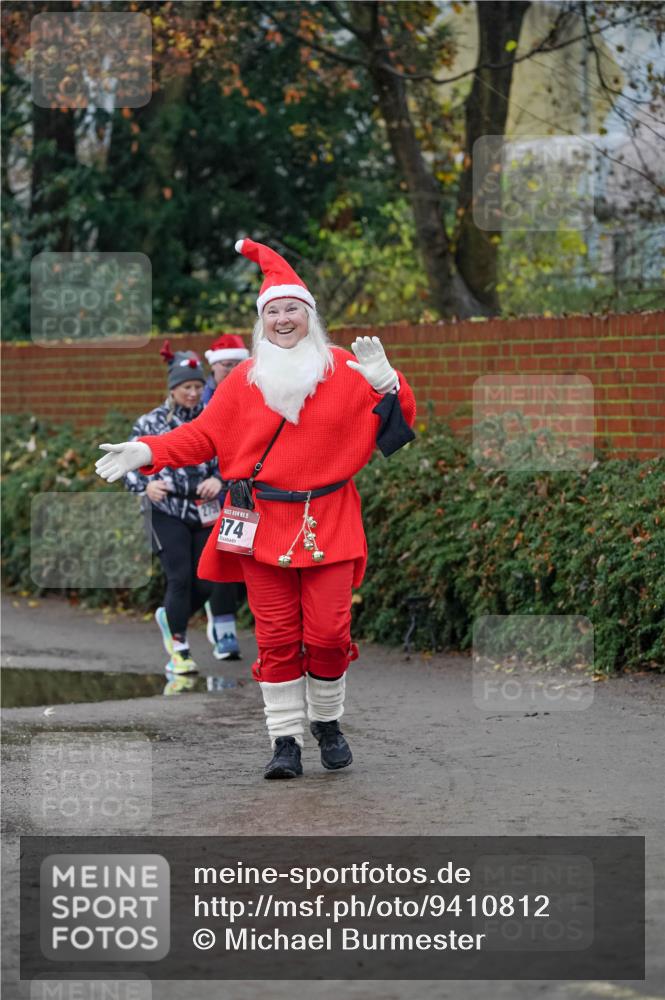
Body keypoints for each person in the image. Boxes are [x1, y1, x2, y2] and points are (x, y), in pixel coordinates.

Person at [97, 238, 416, 779]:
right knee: (274, 637)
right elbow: (202, 436)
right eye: (273, 311)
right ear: (261, 323)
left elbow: (399, 426)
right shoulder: (244, 381)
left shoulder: (343, 367)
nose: (284, 318)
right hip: (261, 521)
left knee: (329, 635)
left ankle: (327, 722)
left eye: (293, 308)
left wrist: (387, 380)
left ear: (309, 316)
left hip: (328, 520)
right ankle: (285, 740)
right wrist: (147, 451)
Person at [124, 342, 242, 674]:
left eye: (197, 386)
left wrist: (220, 480)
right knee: (179, 578)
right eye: (185, 387)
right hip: (166, 510)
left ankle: (169, 617)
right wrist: (145, 485)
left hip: (206, 510)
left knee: (207, 578)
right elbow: (129, 462)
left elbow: (236, 458)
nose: (192, 393)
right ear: (173, 388)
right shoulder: (150, 423)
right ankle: (179, 649)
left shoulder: (214, 418)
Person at [201, 333, 249, 405]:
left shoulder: (252, 391)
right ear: (213, 366)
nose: (233, 370)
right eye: (227, 365)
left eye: (239, 365)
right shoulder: (198, 393)